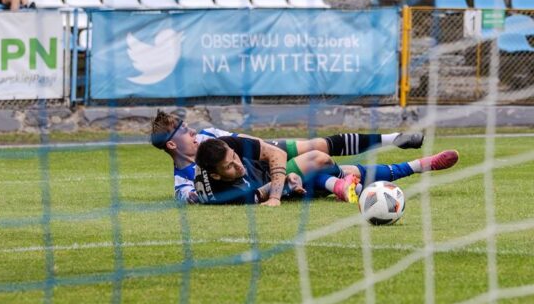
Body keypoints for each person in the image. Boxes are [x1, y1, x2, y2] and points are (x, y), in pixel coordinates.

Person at [149, 110, 425, 204]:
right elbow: (197, 198)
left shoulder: (208, 135)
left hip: (261, 156)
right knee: (318, 158)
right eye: (184, 130)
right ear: (172, 144)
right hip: (261, 177)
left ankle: (392, 138)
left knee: (319, 144)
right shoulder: (182, 182)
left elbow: (241, 142)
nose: (192, 130)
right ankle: (344, 182)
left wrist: (267, 151)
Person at [194, 136, 459, 206]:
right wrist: (283, 187)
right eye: (230, 166)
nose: (237, 164)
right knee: (319, 161)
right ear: (216, 175)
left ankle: (342, 185)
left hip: (270, 168)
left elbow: (275, 154)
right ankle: (418, 166)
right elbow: (257, 196)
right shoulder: (221, 194)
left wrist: (277, 191)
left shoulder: (225, 145)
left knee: (322, 153)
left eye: (235, 158)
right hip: (275, 183)